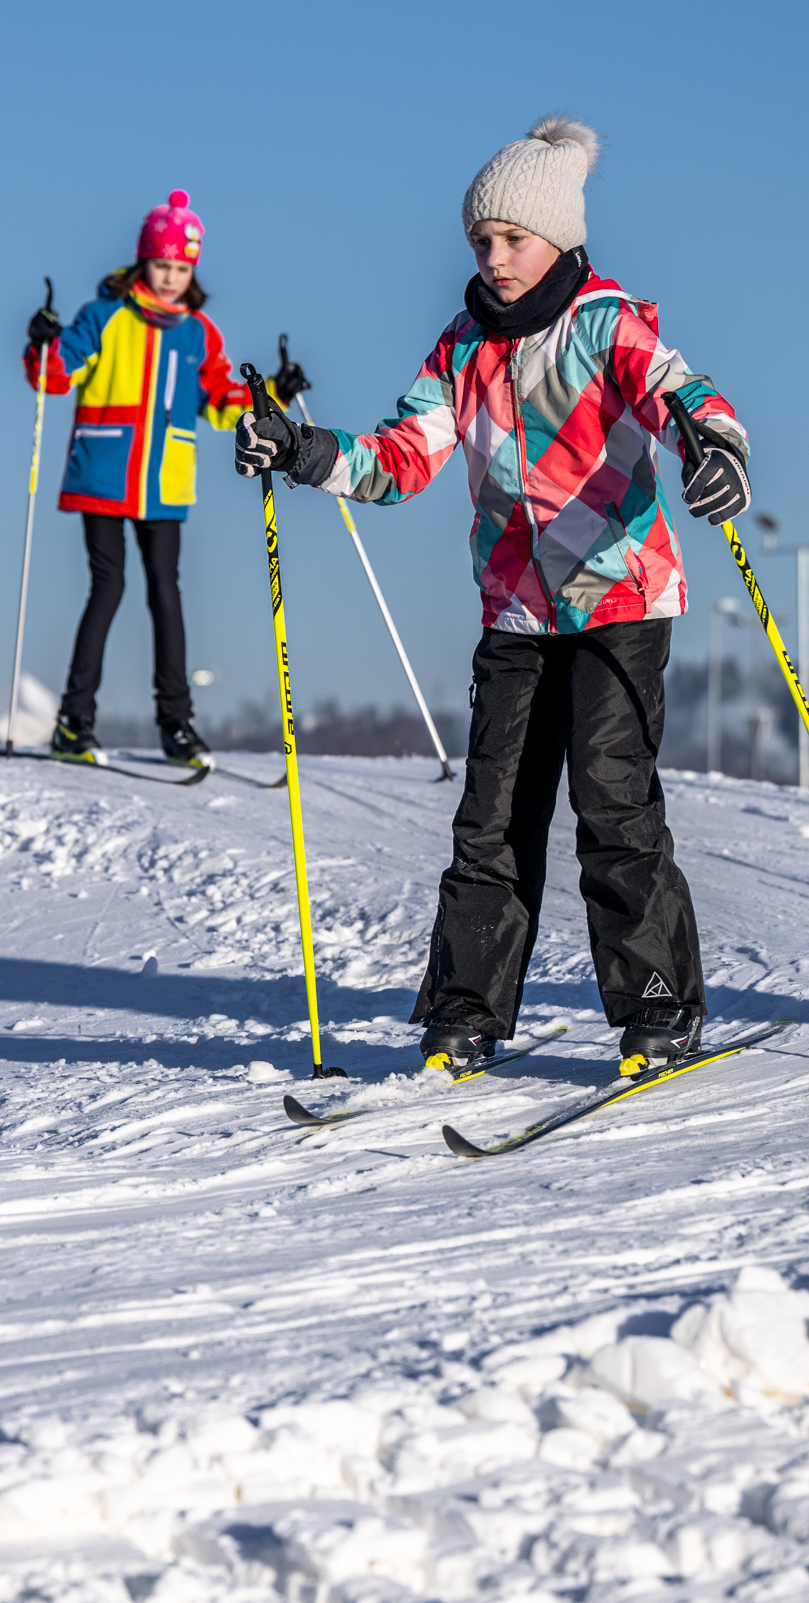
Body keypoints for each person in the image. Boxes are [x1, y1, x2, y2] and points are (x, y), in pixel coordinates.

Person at [235, 116, 753, 1077]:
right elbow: (401, 458)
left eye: (513, 238)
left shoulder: (608, 325)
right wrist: (304, 451)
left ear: (558, 235)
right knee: (493, 817)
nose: (495, 255)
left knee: (611, 799)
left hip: (620, 600)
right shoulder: (461, 348)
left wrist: (715, 451)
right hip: (515, 612)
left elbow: (684, 395)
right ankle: (466, 1014)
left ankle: (657, 1008)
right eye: (482, 240)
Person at [25, 190, 306, 767]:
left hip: (164, 482)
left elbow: (226, 403)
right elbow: (55, 376)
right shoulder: (104, 316)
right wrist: (41, 342)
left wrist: (273, 392)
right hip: (104, 473)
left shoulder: (198, 333)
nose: (172, 276)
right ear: (143, 262)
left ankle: (176, 725)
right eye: (163, 265)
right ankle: (73, 724)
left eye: (182, 267)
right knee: (109, 587)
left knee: (165, 593)